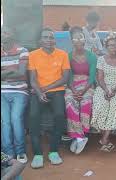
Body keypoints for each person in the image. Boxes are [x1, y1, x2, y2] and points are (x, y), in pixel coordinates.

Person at [28, 27, 70, 169]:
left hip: (57, 91)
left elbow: (65, 78)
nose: (48, 40)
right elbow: (33, 79)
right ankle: (38, 154)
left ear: (55, 40)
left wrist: (44, 89)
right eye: (45, 37)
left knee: (59, 116)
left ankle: (53, 151)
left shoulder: (62, 54)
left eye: (51, 37)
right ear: (41, 40)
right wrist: (39, 93)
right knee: (33, 117)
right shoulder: (33, 55)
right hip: (38, 92)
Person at [91, 35, 116, 152]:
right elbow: (100, 78)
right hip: (103, 87)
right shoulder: (101, 59)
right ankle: (105, 140)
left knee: (115, 106)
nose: (114, 47)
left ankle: (104, 139)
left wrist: (114, 90)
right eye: (111, 45)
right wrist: (106, 89)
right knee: (100, 106)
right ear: (106, 47)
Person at [65, 26, 97, 154]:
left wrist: (83, 91)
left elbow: (92, 76)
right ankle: (80, 138)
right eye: (75, 38)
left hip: (87, 85)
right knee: (69, 103)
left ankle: (79, 136)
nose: (78, 40)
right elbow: (68, 75)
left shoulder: (91, 56)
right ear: (72, 41)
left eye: (81, 37)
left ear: (84, 40)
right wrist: (73, 90)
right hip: (72, 85)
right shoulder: (68, 56)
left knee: (85, 102)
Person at [1, 27, 29, 164]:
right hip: (2, 92)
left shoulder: (22, 51)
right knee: (4, 122)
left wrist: (4, 73)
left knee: (15, 119)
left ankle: (20, 152)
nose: (3, 35)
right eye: (1, 32)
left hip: (19, 91)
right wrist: (12, 71)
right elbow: (16, 72)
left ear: (13, 35)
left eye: (6, 32)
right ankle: (8, 153)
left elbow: (22, 73)